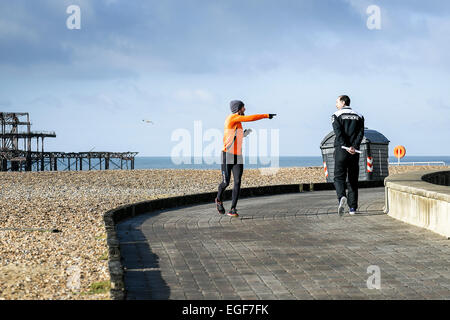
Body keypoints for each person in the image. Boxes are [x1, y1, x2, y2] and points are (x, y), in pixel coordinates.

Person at [215, 100, 276, 217]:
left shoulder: (238, 123)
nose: (245, 110)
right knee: (225, 182)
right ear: (238, 109)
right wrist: (266, 116)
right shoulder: (232, 118)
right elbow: (251, 118)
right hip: (226, 155)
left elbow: (234, 137)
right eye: (243, 108)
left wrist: (244, 134)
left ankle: (233, 209)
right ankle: (218, 199)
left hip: (238, 156)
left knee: (237, 181)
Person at [331, 95, 364, 216]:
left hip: (341, 150)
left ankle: (341, 197)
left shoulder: (336, 115)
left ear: (343, 102)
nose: (336, 104)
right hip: (354, 152)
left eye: (337, 102)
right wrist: (353, 147)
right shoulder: (359, 116)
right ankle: (353, 208)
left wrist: (346, 146)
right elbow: (361, 134)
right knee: (353, 179)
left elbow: (338, 133)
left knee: (339, 177)